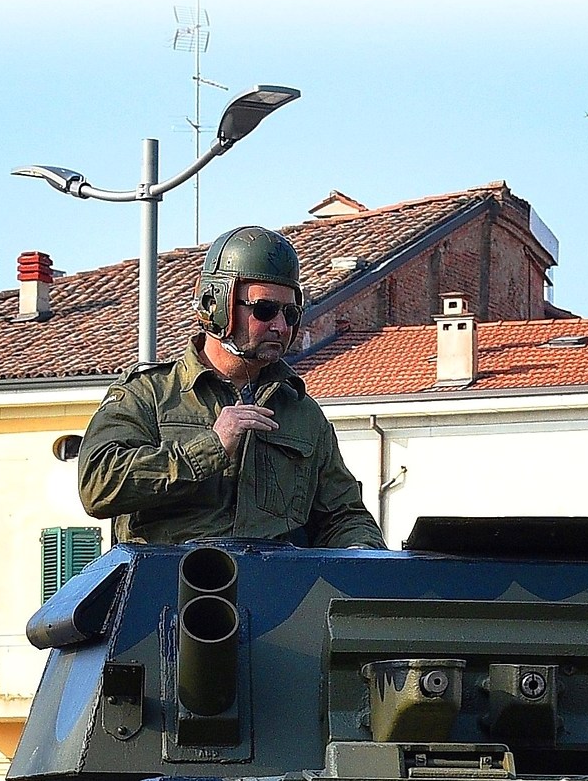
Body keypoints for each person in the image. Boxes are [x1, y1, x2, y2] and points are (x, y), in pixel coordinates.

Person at [75, 225, 386, 549]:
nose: (280, 326)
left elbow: (344, 514)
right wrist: (211, 446)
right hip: (171, 590)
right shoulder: (149, 395)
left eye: (290, 313)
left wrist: (361, 548)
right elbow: (98, 485)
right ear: (216, 305)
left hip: (278, 592)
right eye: (264, 310)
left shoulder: (301, 412)